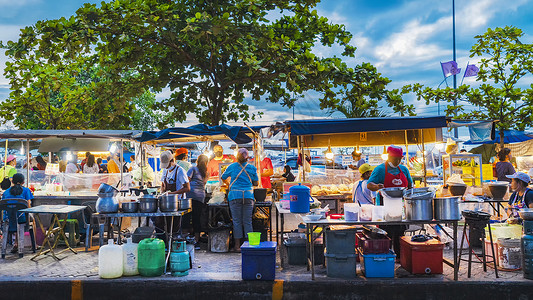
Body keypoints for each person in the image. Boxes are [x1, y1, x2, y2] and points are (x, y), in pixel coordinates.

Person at [367, 145, 413, 257]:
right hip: (384, 207)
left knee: (400, 235)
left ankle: (400, 259)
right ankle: (385, 258)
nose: (397, 161)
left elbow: (410, 186)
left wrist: (410, 196)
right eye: (394, 158)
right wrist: (377, 186)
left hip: (400, 207)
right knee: (386, 235)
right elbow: (369, 185)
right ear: (388, 156)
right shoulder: (380, 169)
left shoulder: (404, 169)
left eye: (399, 159)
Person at [221, 148, 259, 252]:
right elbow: (256, 183)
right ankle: (249, 245)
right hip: (248, 195)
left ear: (237, 157)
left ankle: (237, 246)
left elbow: (223, 177)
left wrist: (229, 184)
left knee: (237, 221)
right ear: (247, 157)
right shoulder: (252, 168)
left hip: (234, 195)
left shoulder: (232, 166)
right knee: (247, 221)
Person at [159, 150, 190, 237]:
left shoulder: (180, 171)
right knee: (164, 224)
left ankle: (174, 243)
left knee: (175, 226)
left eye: (167, 165)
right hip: (166, 203)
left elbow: (187, 188)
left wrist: (173, 193)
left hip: (178, 203)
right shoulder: (165, 170)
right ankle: (166, 242)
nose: (166, 167)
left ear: (172, 161)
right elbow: (163, 184)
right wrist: (162, 192)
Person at [2, 173, 33, 257]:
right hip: (21, 219)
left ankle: (16, 243)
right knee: (32, 220)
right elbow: (28, 207)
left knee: (14, 215)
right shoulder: (26, 190)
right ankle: (35, 245)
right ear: (23, 182)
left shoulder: (6, 192)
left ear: (12, 181)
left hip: (7, 220)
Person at [187, 154, 209, 243]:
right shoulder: (206, 172)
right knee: (197, 217)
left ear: (197, 161)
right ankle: (197, 239)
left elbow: (186, 181)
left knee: (188, 217)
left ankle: (188, 237)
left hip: (191, 196)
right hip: (200, 197)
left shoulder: (193, 169)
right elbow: (204, 184)